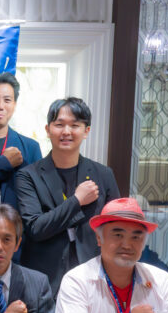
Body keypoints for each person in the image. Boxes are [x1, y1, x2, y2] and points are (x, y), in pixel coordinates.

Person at [14, 97, 121, 293]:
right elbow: (36, 228)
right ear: (48, 130)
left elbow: (115, 228)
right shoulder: (28, 176)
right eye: (59, 124)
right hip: (45, 278)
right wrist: (77, 200)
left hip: (93, 276)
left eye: (75, 125)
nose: (66, 131)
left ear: (86, 131)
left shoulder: (103, 175)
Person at [0, 72, 42, 209]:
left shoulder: (30, 147)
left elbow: (38, 196)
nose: (0, 106)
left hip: (18, 222)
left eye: (7, 100)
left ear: (14, 104)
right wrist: (3, 163)